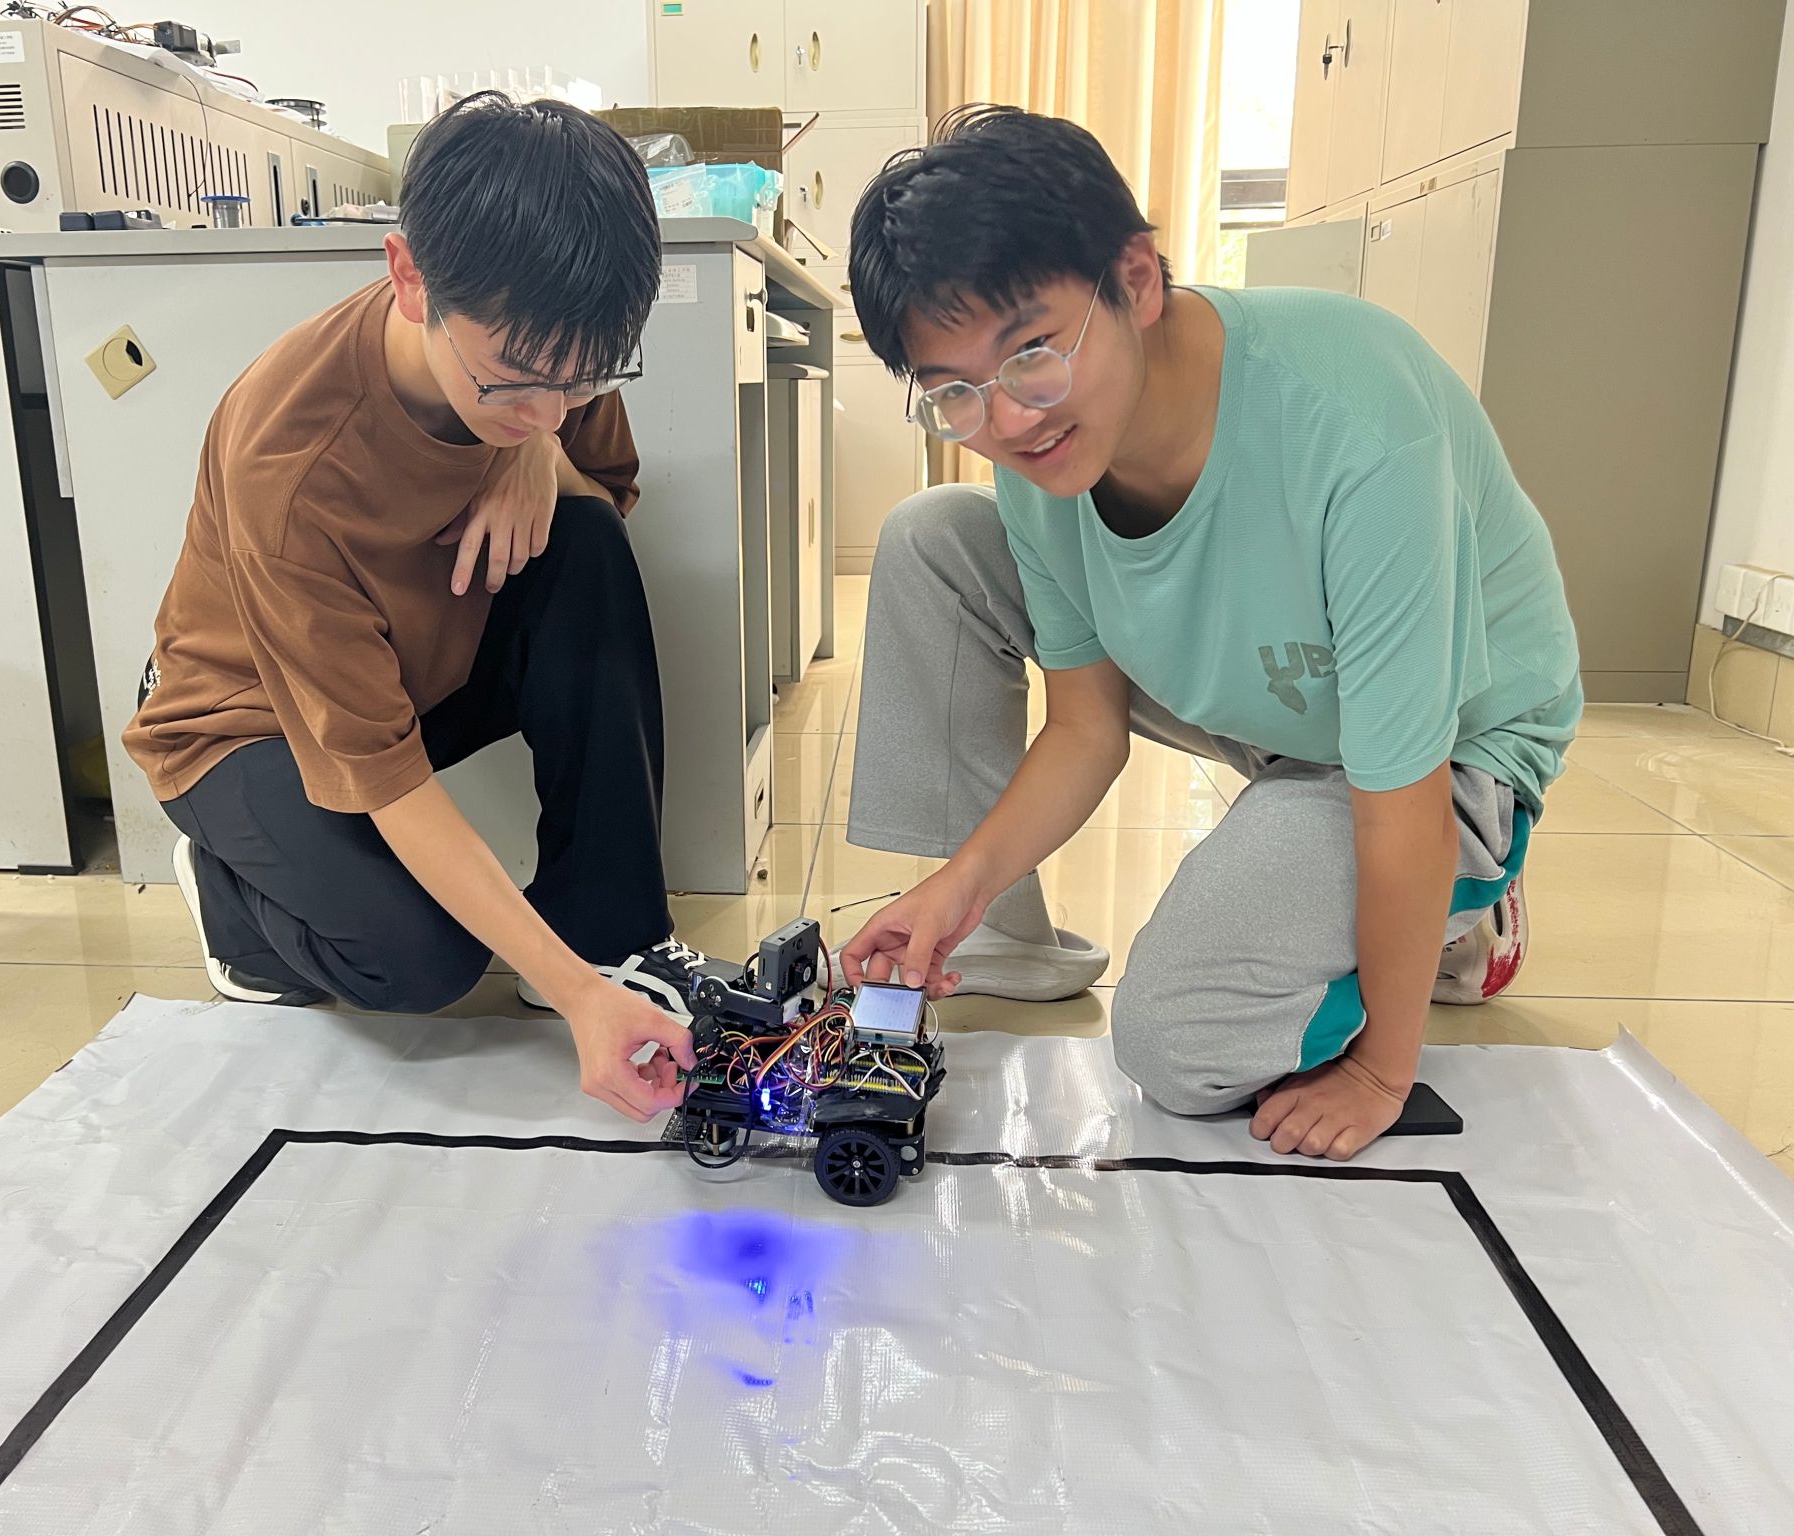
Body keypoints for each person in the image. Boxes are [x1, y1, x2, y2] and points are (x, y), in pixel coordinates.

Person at [836, 106, 1581, 1160]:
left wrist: (1381, 1070)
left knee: (1179, 1044)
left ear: (1136, 279)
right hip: (1275, 689)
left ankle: (1465, 905)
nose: (1005, 421)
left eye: (1032, 353)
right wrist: (958, 886)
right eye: (953, 392)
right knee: (933, 538)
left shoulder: (1357, 426)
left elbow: (1397, 788)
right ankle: (1003, 936)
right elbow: (1085, 728)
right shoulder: (1039, 453)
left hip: (1443, 752)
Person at [125, 92, 712, 1124]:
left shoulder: (555, 337)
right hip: (249, 719)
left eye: (579, 384)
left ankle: (606, 933)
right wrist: (581, 1007)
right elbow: (385, 774)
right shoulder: (289, 452)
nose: (552, 407)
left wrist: (532, 455)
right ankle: (235, 905)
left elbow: (603, 487)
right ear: (409, 278)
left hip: (414, 667)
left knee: (587, 546)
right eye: (513, 386)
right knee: (422, 964)